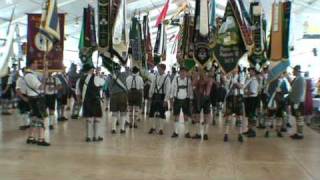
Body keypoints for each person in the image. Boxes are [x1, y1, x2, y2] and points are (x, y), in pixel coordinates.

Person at [76, 64, 105, 142]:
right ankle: (96, 136)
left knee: (89, 119)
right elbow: (103, 83)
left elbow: (78, 93)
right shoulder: (96, 78)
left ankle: (88, 137)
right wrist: (98, 74)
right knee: (97, 119)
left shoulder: (80, 80)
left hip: (86, 101)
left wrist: (79, 102)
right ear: (91, 70)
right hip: (95, 101)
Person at [24, 61, 50, 146]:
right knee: (41, 118)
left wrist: (46, 67)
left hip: (35, 98)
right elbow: (41, 86)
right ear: (30, 65)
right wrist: (44, 82)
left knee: (34, 118)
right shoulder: (29, 76)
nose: (37, 64)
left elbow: (45, 76)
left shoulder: (34, 73)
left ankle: (30, 137)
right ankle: (41, 139)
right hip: (36, 99)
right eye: (35, 63)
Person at [223, 67, 245, 142]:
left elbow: (241, 86)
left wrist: (235, 82)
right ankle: (226, 134)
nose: (233, 69)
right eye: (232, 68)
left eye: (235, 68)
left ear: (237, 69)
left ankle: (240, 134)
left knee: (239, 117)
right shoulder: (228, 76)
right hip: (230, 97)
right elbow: (226, 86)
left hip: (238, 97)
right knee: (228, 117)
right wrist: (227, 79)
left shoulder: (241, 76)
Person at [170, 66, 193, 138]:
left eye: (184, 72)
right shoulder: (175, 79)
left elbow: (190, 90)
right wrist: (171, 98)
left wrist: (191, 99)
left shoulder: (188, 80)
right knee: (176, 116)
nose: (183, 73)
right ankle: (175, 132)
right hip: (177, 99)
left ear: (186, 73)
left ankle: (187, 132)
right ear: (179, 72)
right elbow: (172, 88)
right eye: (181, 72)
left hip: (186, 99)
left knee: (186, 116)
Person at [148, 64, 171, 135]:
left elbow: (168, 90)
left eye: (160, 69)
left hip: (162, 96)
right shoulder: (155, 76)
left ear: (163, 69)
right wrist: (150, 95)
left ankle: (161, 129)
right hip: (155, 95)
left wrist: (166, 100)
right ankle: (153, 127)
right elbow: (152, 86)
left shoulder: (167, 78)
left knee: (162, 113)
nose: (158, 70)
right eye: (158, 69)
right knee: (151, 113)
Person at [265, 73, 289, 138]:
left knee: (279, 117)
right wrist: (274, 92)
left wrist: (281, 91)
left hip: (281, 102)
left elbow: (287, 91)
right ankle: (267, 131)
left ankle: (278, 131)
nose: (280, 75)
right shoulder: (272, 82)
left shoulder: (283, 82)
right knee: (269, 117)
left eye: (282, 74)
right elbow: (267, 91)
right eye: (279, 73)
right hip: (273, 101)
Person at [192, 69, 213, 140]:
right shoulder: (198, 78)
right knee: (197, 116)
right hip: (198, 98)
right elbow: (193, 84)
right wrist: (197, 76)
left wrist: (203, 78)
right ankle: (198, 133)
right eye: (201, 71)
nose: (201, 72)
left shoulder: (210, 79)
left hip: (206, 98)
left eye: (203, 71)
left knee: (206, 116)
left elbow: (209, 86)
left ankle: (205, 134)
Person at [108, 65, 128, 134]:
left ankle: (113, 129)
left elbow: (109, 86)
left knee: (114, 112)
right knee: (123, 112)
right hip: (123, 95)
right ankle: (122, 129)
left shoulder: (110, 76)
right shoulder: (124, 75)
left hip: (113, 95)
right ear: (120, 68)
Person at [288, 65, 306, 140]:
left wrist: (297, 102)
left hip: (298, 102)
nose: (292, 71)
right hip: (296, 101)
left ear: (297, 71)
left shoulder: (301, 79)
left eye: (294, 70)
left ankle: (300, 134)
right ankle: (298, 133)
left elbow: (300, 92)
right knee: (297, 118)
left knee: (299, 118)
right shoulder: (297, 79)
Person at [243, 67, 260, 138]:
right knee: (249, 116)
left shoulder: (253, 80)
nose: (249, 72)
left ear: (254, 72)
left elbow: (253, 92)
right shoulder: (250, 79)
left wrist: (245, 92)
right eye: (249, 71)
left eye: (250, 71)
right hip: (249, 99)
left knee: (251, 116)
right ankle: (249, 130)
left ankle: (252, 131)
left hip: (252, 100)